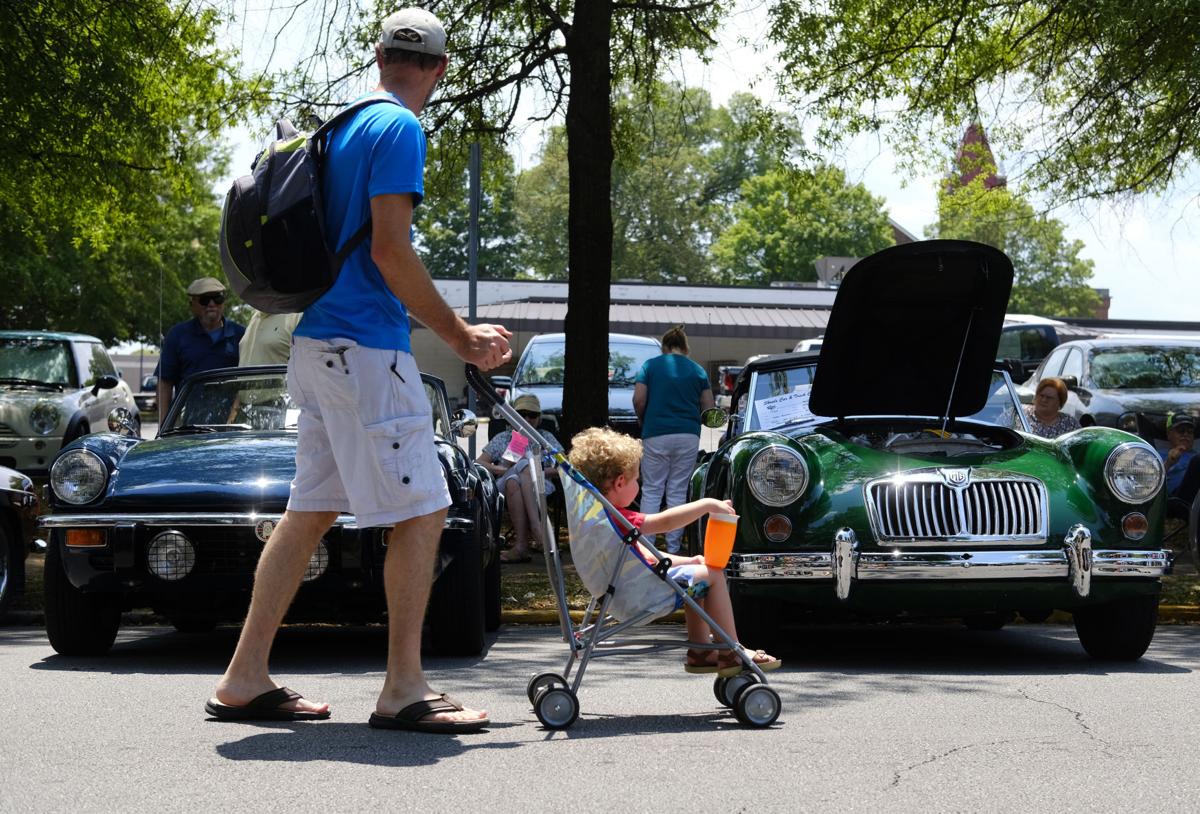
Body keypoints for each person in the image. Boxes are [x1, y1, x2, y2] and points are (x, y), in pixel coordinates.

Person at [207, 7, 512, 734]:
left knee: (308, 513)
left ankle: (244, 676)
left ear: (380, 57)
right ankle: (404, 687)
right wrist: (463, 336)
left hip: (316, 345)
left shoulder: (341, 125)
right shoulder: (401, 129)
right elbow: (389, 251)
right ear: (439, 70)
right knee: (426, 508)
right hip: (365, 351)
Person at [568, 426, 781, 676]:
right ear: (620, 482)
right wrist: (706, 504)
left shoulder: (600, 522)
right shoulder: (621, 520)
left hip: (624, 592)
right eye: (637, 479)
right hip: (638, 596)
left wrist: (690, 560)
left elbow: (648, 559)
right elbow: (666, 522)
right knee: (712, 577)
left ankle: (701, 651)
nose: (639, 484)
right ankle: (732, 650)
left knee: (698, 573)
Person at [632, 325, 715, 553]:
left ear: (665, 346)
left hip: (656, 433)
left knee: (652, 489)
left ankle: (645, 546)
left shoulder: (650, 366)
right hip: (688, 434)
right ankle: (673, 547)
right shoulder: (698, 370)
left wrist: (643, 420)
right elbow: (709, 408)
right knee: (678, 491)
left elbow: (639, 399)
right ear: (685, 346)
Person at [476, 394, 562, 563]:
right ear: (513, 416)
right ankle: (537, 527)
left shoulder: (546, 438)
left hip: (540, 484)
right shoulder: (504, 437)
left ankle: (521, 546)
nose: (527, 419)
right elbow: (479, 462)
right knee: (520, 466)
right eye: (522, 414)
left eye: (532, 415)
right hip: (503, 479)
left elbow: (563, 467)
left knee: (514, 480)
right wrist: (500, 469)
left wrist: (535, 471)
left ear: (539, 418)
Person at [157, 277, 246, 422]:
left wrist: (234, 418)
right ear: (192, 304)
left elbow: (247, 381)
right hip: (188, 425)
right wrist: (164, 424)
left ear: (224, 303)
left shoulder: (241, 335)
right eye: (205, 299)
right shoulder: (177, 335)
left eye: (217, 298)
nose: (212, 304)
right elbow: (165, 382)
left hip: (231, 426)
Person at [1161, 412, 1200, 506]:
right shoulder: (1158, 454)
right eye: (1181, 431)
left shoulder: (1197, 454)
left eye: (1190, 432)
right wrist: (1168, 463)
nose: (1186, 434)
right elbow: (1150, 482)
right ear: (1169, 434)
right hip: (1178, 500)